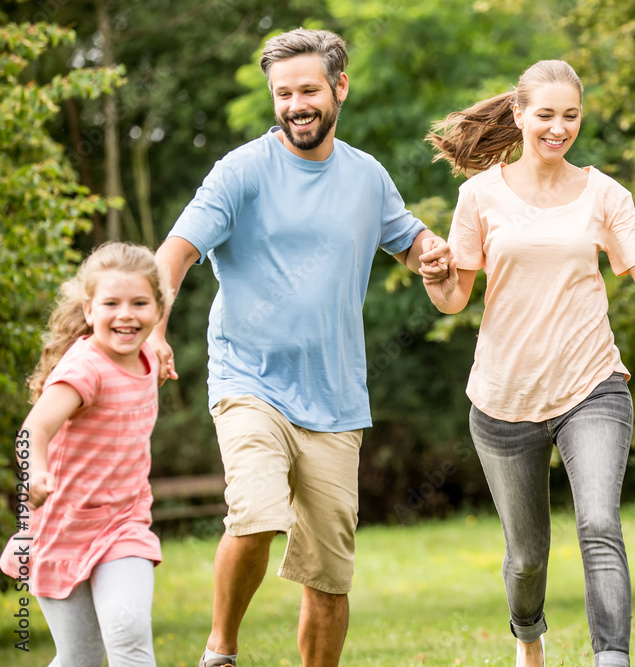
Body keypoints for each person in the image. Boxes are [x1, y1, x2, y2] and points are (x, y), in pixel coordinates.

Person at [149, 28, 449, 667]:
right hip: (248, 379)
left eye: (308, 90)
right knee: (255, 513)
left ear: (340, 87)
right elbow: (175, 254)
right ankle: (220, 650)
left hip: (336, 399)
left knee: (328, 575)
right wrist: (155, 323)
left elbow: (412, 241)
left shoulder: (367, 177)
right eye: (282, 94)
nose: (295, 105)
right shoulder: (241, 171)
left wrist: (435, 255)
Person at [422, 59, 635, 667]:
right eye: (545, 115)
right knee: (526, 556)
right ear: (519, 116)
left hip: (591, 384)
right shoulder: (479, 195)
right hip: (502, 397)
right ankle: (528, 636)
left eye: (570, 116)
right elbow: (454, 296)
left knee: (598, 523)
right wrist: (436, 278)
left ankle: (611, 658)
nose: (558, 127)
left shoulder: (605, 193)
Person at [0, 242, 170, 667]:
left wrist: (161, 356)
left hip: (123, 523)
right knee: (81, 659)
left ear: (158, 309)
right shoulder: (84, 369)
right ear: (89, 311)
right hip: (62, 530)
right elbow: (33, 430)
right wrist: (36, 472)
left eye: (139, 303)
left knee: (128, 629)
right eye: (111, 303)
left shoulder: (149, 356)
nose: (126, 314)